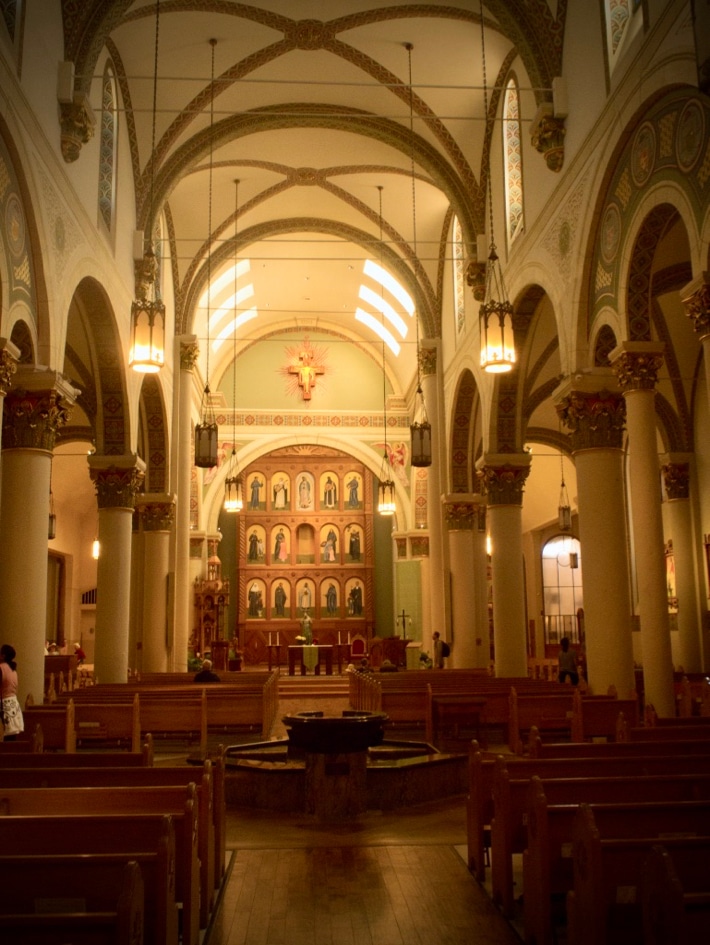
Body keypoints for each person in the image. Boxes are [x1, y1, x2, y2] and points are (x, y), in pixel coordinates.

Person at [0, 644, 24, 741]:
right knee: (11, 738)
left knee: (5, 737)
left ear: (3, 655)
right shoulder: (13, 669)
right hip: (13, 704)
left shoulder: (1, 668)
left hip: (4, 704)